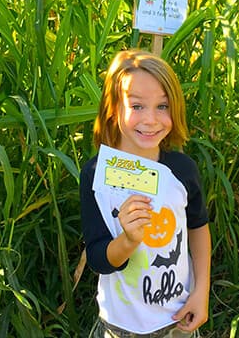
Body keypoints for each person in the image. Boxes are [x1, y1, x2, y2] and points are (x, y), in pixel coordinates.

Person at [80, 49, 211, 338]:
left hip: (178, 318)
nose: (151, 120)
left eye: (162, 106)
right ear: (113, 108)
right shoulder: (96, 175)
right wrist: (128, 240)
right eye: (137, 106)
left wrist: (201, 291)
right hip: (121, 326)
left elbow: (198, 226)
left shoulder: (182, 169)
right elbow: (99, 259)